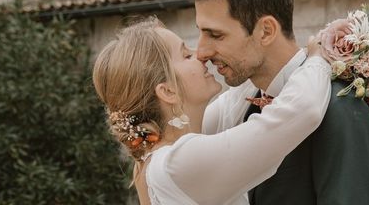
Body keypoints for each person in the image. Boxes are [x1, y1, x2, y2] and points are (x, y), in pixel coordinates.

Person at [185, 0, 369, 205]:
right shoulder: (238, 108)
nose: (201, 52)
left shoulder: (340, 107)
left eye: (216, 35)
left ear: (266, 31)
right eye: (201, 33)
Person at [92, 17, 331, 205]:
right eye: (186, 55)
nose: (200, 56)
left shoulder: (171, 145)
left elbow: (237, 98)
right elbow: (300, 111)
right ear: (167, 91)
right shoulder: (180, 162)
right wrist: (318, 56)